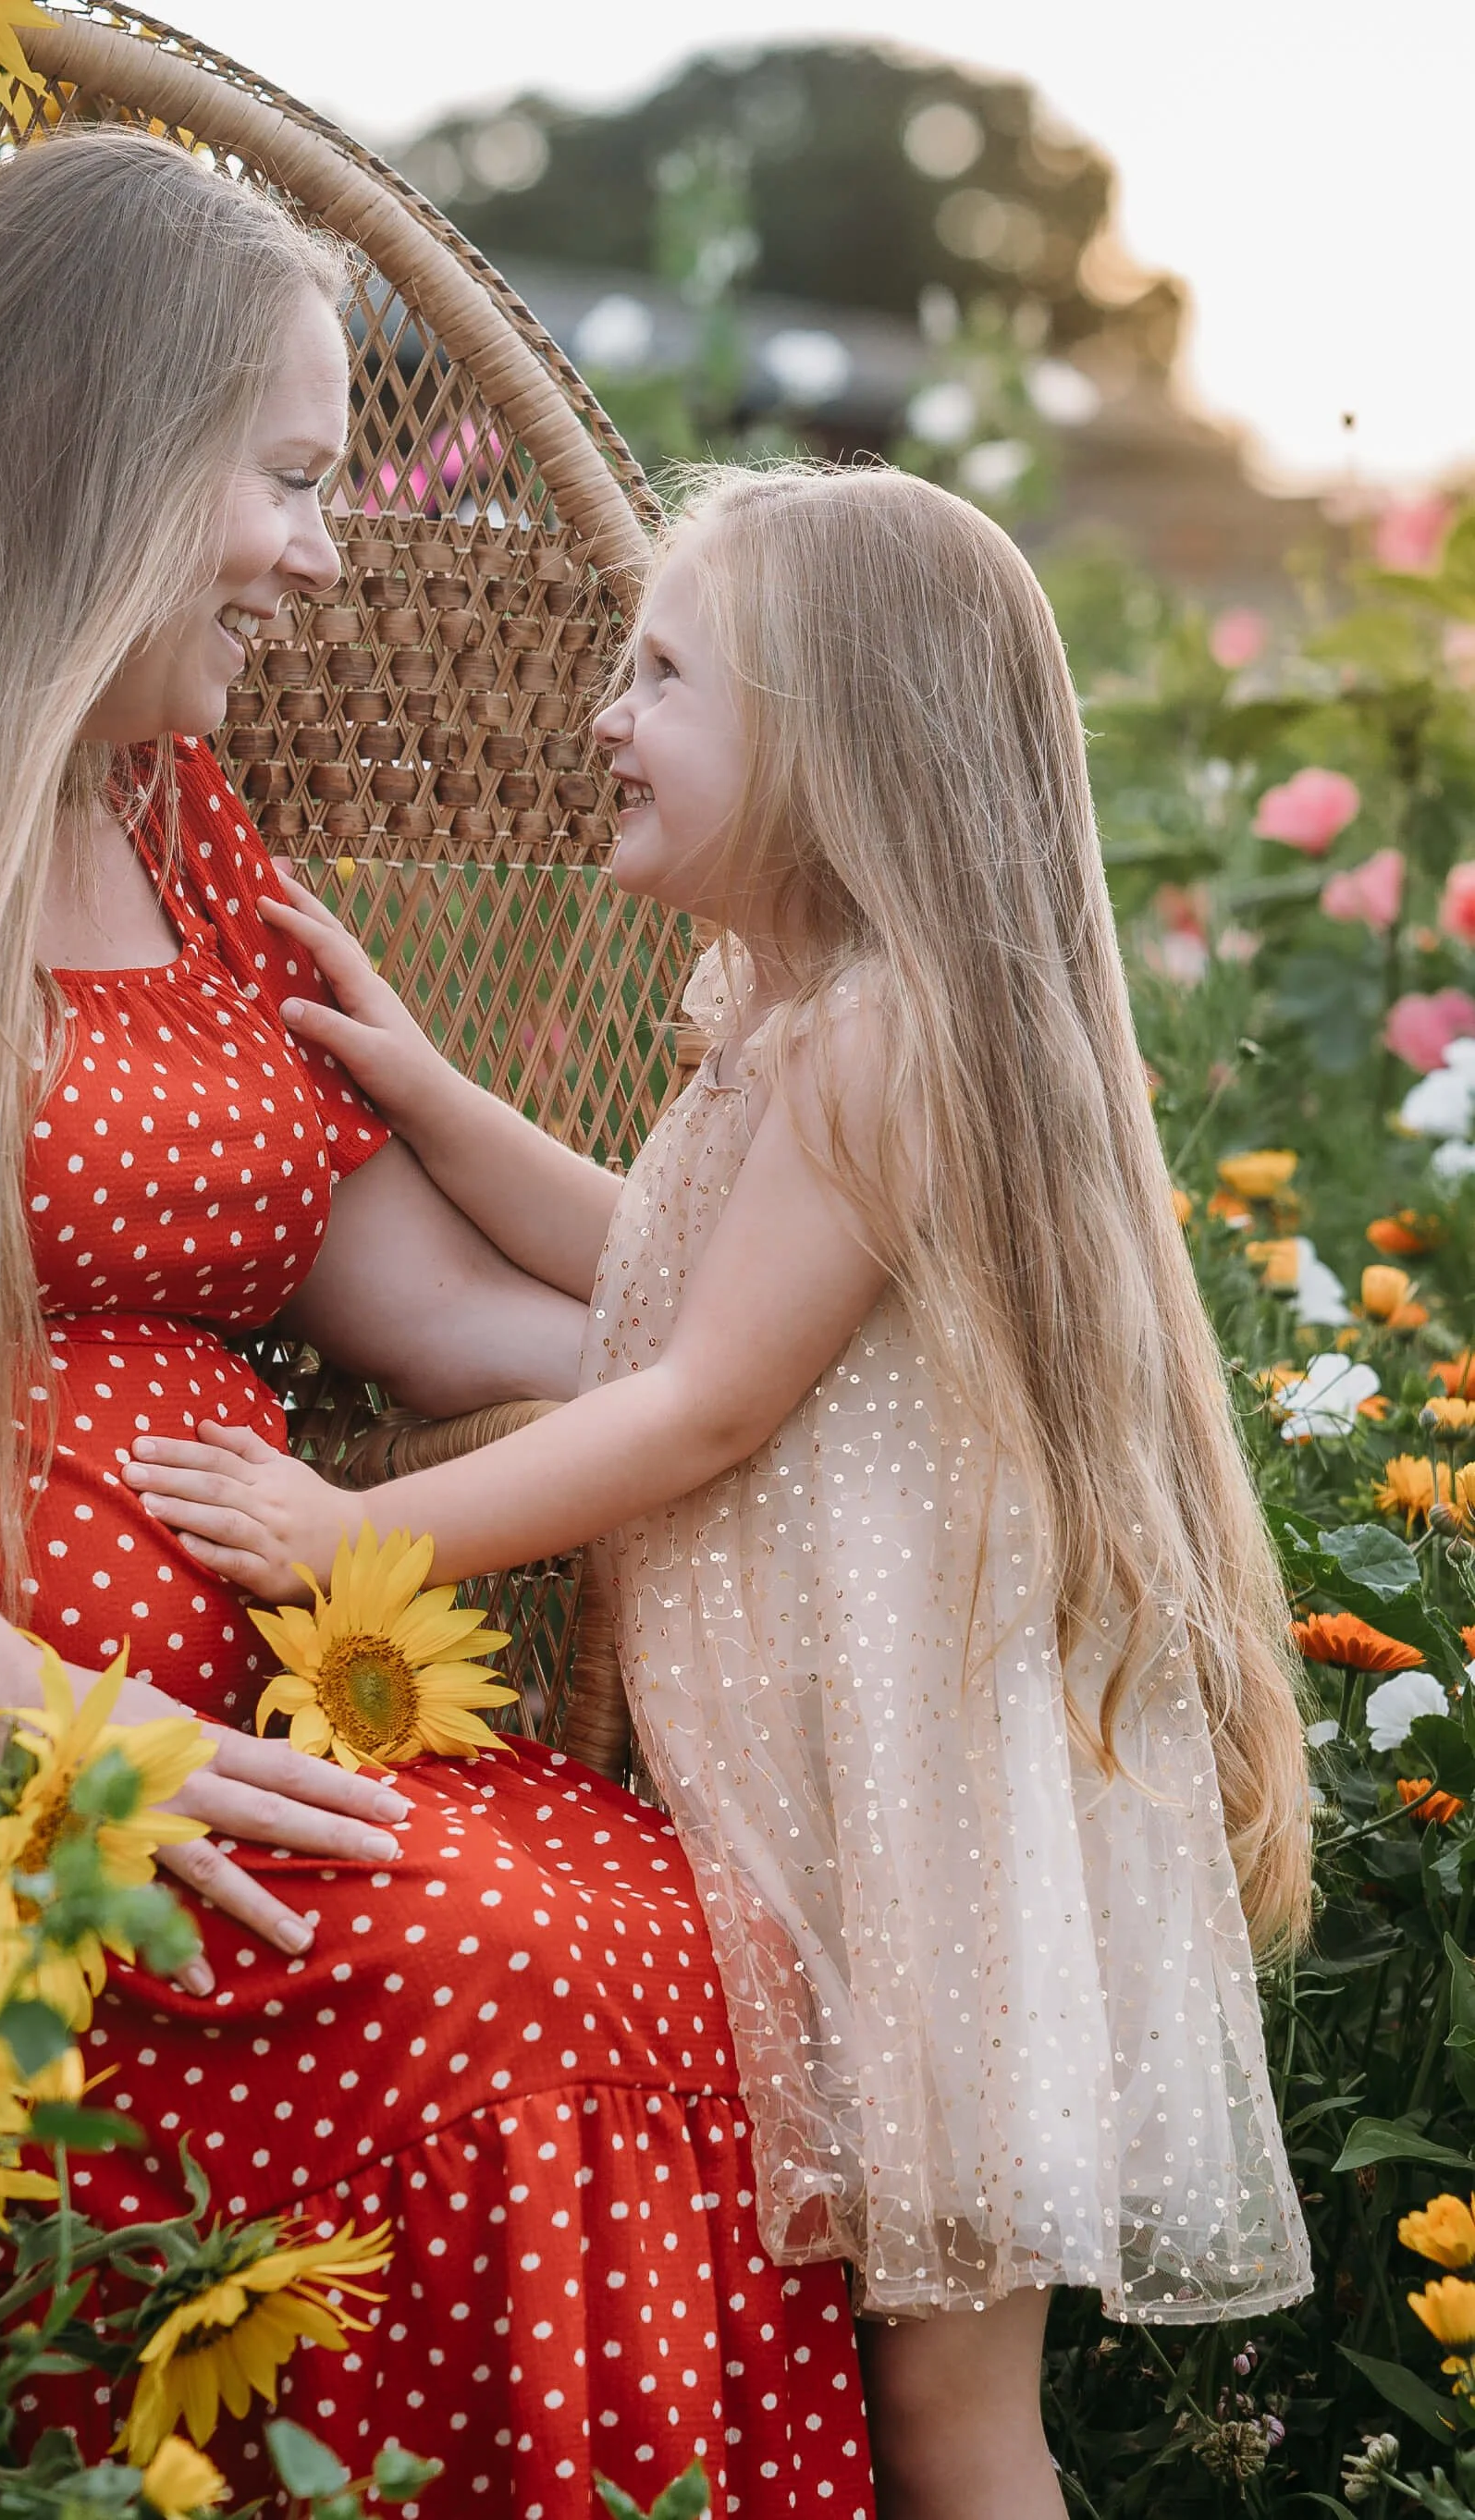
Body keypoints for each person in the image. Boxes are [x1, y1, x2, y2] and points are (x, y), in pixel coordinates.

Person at [0, 133, 877, 2512]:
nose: (326, 556)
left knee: (697, 1941)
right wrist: (34, 1714)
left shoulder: (160, 804)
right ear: (92, 446)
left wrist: (872, 1371)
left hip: (253, 1729)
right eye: (292, 480)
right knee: (508, 2001)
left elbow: (438, 1314)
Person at [129, 461, 1316, 2520]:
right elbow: (647, 1262)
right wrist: (418, 1081)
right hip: (837, 1804)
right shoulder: (788, 1021)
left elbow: (690, 1402)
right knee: (892, 2397)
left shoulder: (888, 1041)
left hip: (914, 1839)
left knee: (953, 2420)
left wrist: (351, 1541)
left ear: (835, 742)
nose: (607, 711)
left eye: (664, 673)